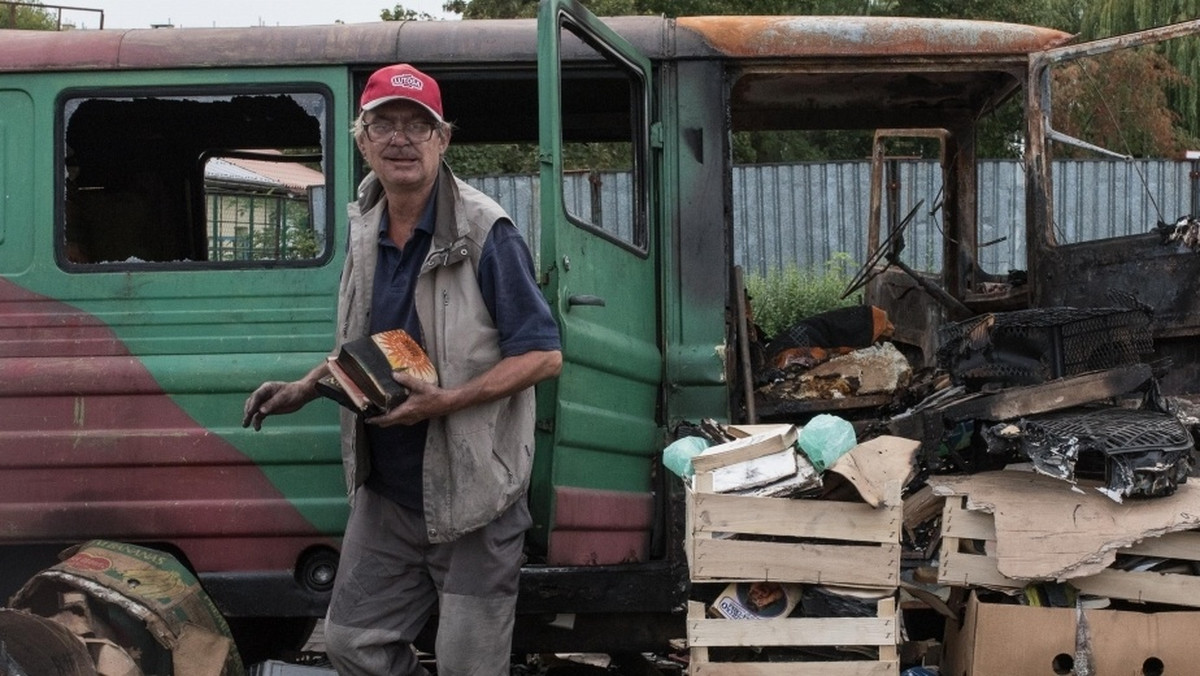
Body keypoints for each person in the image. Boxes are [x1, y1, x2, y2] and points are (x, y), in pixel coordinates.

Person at [242, 63, 562, 676]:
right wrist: (308, 387)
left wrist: (446, 401)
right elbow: (372, 343)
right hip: (388, 495)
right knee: (351, 644)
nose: (401, 138)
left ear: (443, 139)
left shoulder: (485, 231)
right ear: (362, 139)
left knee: (470, 666)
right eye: (384, 123)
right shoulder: (363, 225)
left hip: (474, 495)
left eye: (418, 125)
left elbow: (543, 354)